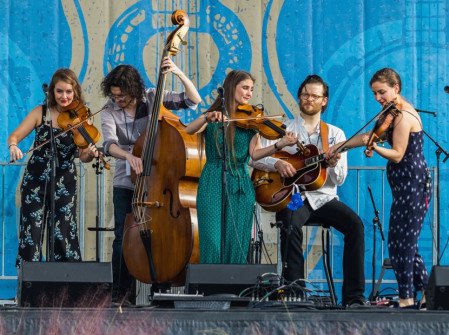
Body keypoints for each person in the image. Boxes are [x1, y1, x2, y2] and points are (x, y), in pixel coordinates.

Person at [250, 74, 366, 307]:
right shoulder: (285, 129)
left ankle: (354, 297)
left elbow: (340, 179)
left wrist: (332, 166)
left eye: (315, 95)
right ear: (299, 97)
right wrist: (278, 163)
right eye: (305, 94)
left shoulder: (335, 135)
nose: (309, 99)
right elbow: (255, 159)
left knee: (355, 225)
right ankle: (295, 293)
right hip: (294, 198)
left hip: (324, 199)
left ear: (324, 100)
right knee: (290, 224)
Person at [328, 68, 431, 309]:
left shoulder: (405, 116)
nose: (377, 98)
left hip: (413, 185)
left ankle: (406, 298)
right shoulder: (390, 114)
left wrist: (375, 147)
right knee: (404, 243)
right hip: (403, 187)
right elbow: (368, 136)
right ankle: (426, 293)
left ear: (396, 88)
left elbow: (397, 154)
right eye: (374, 93)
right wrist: (340, 147)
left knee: (401, 244)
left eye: (381, 92)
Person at [100, 58, 202, 302]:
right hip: (127, 182)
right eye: (114, 96)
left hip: (160, 180)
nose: (118, 100)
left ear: (134, 90)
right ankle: (121, 295)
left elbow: (192, 101)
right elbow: (109, 144)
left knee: (163, 235)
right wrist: (129, 155)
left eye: (122, 96)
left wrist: (177, 71)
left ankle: (161, 291)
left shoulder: (153, 97)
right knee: (122, 238)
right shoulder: (108, 110)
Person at [185, 70, 298, 264]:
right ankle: (211, 288)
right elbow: (188, 130)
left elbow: (255, 155)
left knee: (236, 242)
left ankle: (232, 290)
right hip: (213, 179)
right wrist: (207, 117)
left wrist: (280, 145)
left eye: (251, 89)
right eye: (245, 88)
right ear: (231, 88)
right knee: (212, 240)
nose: (249, 93)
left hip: (240, 182)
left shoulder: (252, 121)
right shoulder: (212, 117)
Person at [8, 68, 98, 269]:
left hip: (64, 183)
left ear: (75, 92)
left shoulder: (82, 115)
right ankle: (28, 288)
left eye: (68, 92)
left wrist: (90, 153)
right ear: (52, 92)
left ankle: (65, 290)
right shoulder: (40, 112)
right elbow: (14, 137)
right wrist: (14, 146)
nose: (64, 96)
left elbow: (83, 156)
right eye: (59, 91)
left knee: (63, 234)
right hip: (35, 183)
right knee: (31, 235)